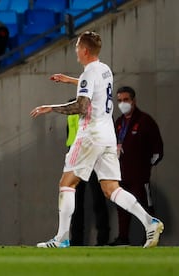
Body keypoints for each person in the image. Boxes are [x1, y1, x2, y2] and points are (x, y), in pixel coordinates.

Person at [30, 31, 164, 248]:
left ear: (84, 50)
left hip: (90, 135)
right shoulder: (104, 70)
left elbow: (81, 106)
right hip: (108, 135)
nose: (76, 53)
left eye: (76, 49)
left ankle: (62, 238)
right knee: (111, 188)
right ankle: (150, 222)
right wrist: (70, 80)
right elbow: (93, 86)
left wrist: (51, 108)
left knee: (67, 183)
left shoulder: (89, 73)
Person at [109, 86, 164, 246]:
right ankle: (123, 237)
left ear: (133, 101)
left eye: (126, 100)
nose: (122, 103)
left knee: (145, 204)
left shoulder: (145, 121)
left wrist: (145, 165)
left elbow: (157, 149)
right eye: (119, 101)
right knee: (122, 206)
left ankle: (151, 236)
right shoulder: (119, 122)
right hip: (121, 172)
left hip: (140, 174)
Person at [66, 112, 110, 246]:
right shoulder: (72, 111)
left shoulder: (101, 110)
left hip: (95, 161)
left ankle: (102, 239)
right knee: (76, 203)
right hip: (77, 162)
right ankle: (76, 240)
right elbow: (70, 137)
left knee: (99, 200)